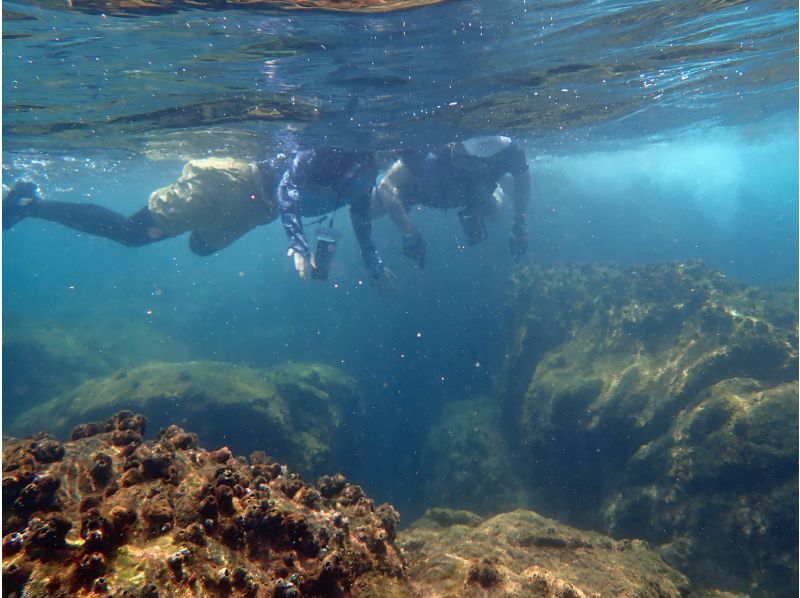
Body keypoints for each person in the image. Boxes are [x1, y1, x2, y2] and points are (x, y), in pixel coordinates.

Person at [3, 149, 387, 282]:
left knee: (199, 248)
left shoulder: (365, 178)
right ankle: (31, 204)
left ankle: (31, 205)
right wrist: (298, 243)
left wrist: (374, 265)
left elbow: (362, 216)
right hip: (233, 183)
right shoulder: (337, 153)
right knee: (132, 234)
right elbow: (287, 186)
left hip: (253, 210)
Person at [373, 135, 531, 268]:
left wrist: (520, 223)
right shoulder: (430, 151)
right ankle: (496, 186)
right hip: (423, 190)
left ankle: (497, 189)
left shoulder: (510, 151)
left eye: (480, 161)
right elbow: (386, 185)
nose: (473, 164)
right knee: (375, 205)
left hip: (475, 193)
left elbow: (523, 184)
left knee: (496, 214)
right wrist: (408, 230)